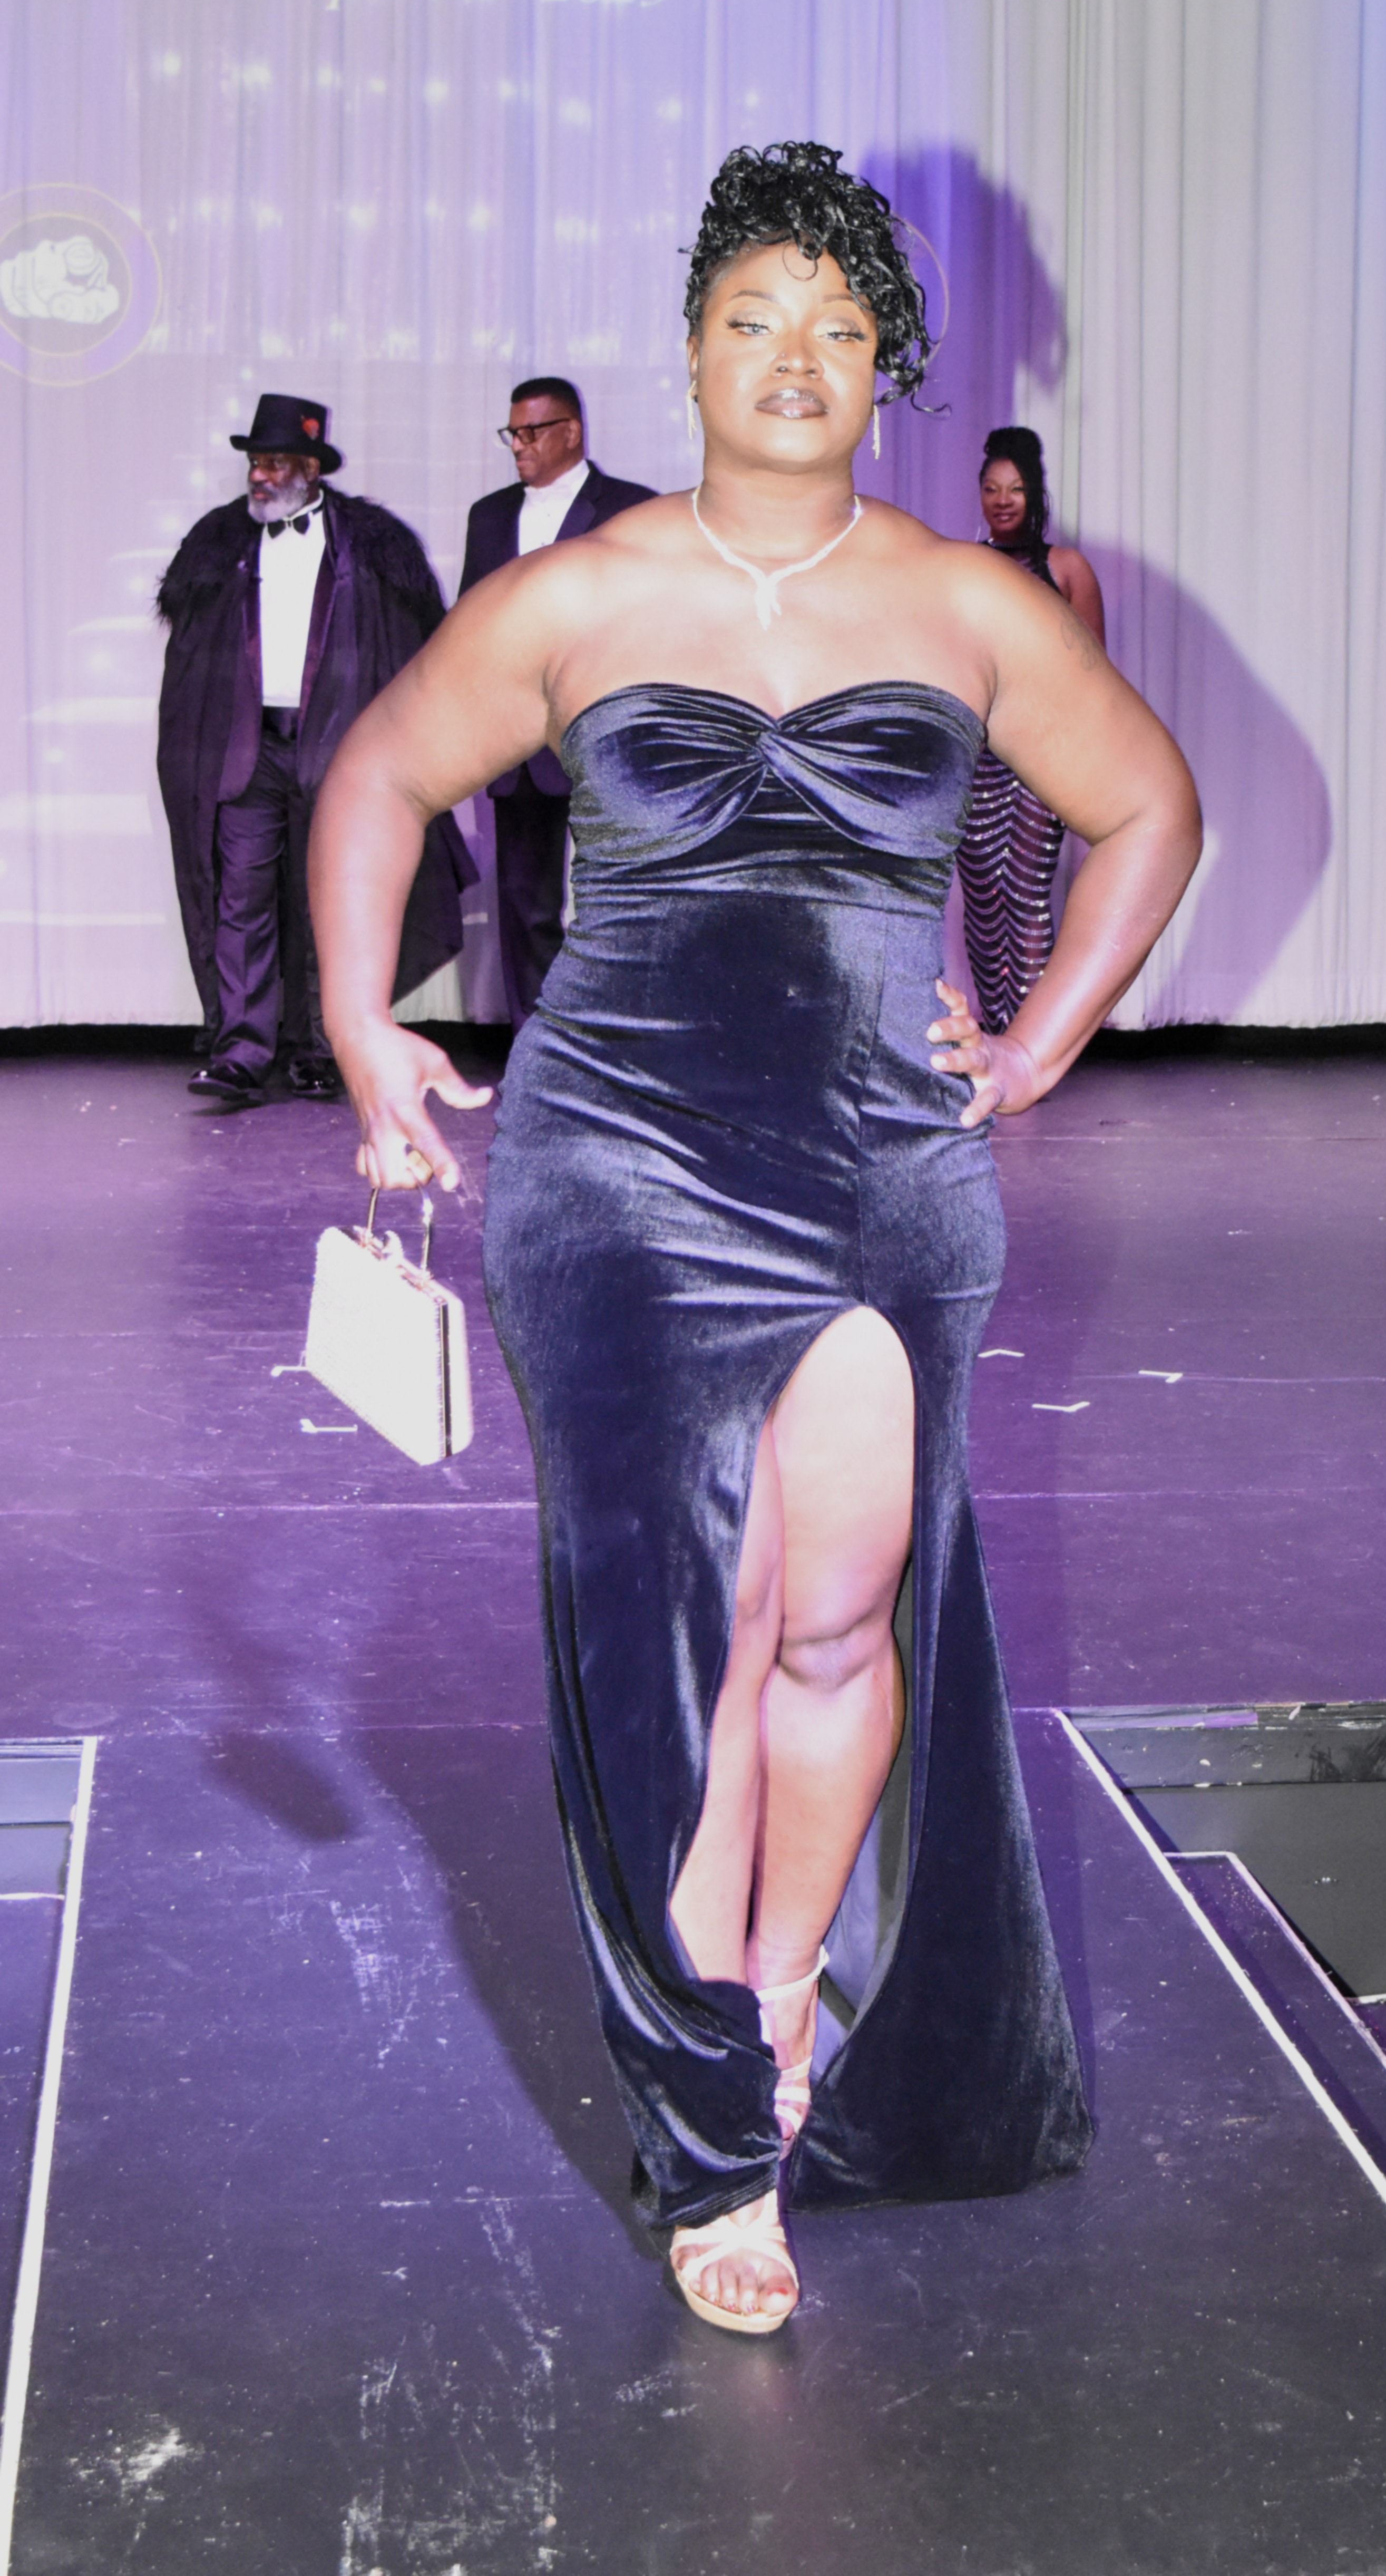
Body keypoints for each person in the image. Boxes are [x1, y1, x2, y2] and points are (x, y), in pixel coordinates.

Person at [309, 143, 1199, 2339]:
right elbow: (380, 778)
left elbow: (1149, 806)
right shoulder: (584, 592)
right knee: (677, 1640)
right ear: (691, 349)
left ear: (886, 366)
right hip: (617, 1166)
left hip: (888, 1168)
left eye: (838, 327)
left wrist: (1039, 1043)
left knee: (834, 1612)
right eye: (753, 320)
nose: (796, 357)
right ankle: (712, 2125)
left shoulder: (970, 604)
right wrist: (360, 1023)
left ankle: (788, 1989)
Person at [155, 392, 471, 1111]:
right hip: (248, 749)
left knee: (329, 899)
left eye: (274, 463)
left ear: (310, 468)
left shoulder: (370, 545)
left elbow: (408, 649)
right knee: (242, 899)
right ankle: (242, 1052)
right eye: (255, 463)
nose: (259, 476)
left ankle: (322, 1049)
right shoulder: (219, 542)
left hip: (337, 751)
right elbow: (192, 657)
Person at [457, 378, 655, 1023]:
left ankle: (614, 1045)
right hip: (518, 741)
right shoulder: (489, 516)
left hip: (606, 736)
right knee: (524, 904)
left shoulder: (631, 508)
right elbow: (472, 621)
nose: (518, 445)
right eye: (512, 433)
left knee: (617, 901)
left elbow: (650, 624)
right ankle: (535, 1046)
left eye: (531, 432)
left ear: (571, 432)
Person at [956, 428, 1107, 1032]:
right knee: (982, 896)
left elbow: (1095, 674)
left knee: (1024, 891)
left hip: (1043, 755)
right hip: (977, 756)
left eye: (1015, 489)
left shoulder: (1066, 568)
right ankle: (996, 1035)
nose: (1002, 501)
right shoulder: (964, 566)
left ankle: (1033, 1039)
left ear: (1035, 493)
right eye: (992, 489)